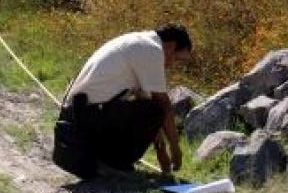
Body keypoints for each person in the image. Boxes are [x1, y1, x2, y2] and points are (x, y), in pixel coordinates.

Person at [53, 24, 194, 180]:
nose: (173, 64)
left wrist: (161, 151)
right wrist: (175, 149)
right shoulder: (151, 50)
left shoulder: (138, 42)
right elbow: (162, 105)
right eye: (177, 58)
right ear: (171, 46)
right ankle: (115, 164)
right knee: (154, 110)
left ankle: (109, 162)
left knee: (147, 109)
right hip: (85, 117)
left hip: (77, 115)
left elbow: (145, 102)